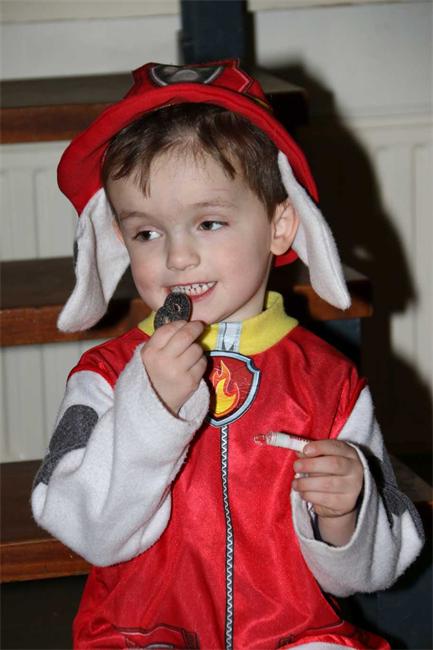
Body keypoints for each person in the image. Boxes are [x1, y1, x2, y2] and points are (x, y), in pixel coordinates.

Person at [31, 60, 423, 650]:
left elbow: (367, 574)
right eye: (147, 233)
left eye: (209, 222)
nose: (177, 257)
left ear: (280, 226)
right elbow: (88, 532)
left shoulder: (332, 384)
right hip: (142, 630)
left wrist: (347, 513)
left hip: (294, 631)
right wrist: (149, 407)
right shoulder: (105, 377)